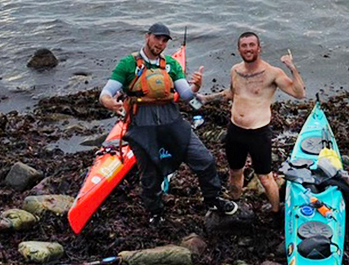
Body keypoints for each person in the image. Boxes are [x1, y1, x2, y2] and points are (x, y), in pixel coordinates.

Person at [99, 23, 237, 225]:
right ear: (147, 37)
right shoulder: (128, 64)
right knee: (150, 176)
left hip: (172, 122)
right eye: (157, 38)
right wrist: (108, 101)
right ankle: (155, 212)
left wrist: (196, 86)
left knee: (205, 160)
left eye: (165, 40)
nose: (161, 44)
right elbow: (106, 92)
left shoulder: (171, 65)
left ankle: (212, 200)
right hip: (142, 126)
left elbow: (186, 95)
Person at [200, 31, 305, 213]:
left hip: (258, 134)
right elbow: (231, 93)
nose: (248, 49)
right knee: (235, 173)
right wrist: (206, 99)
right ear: (239, 49)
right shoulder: (235, 70)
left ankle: (275, 211)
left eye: (251, 45)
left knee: (265, 177)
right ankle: (235, 205)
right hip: (235, 132)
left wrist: (291, 67)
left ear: (259, 48)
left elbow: (299, 93)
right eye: (244, 46)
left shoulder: (272, 73)